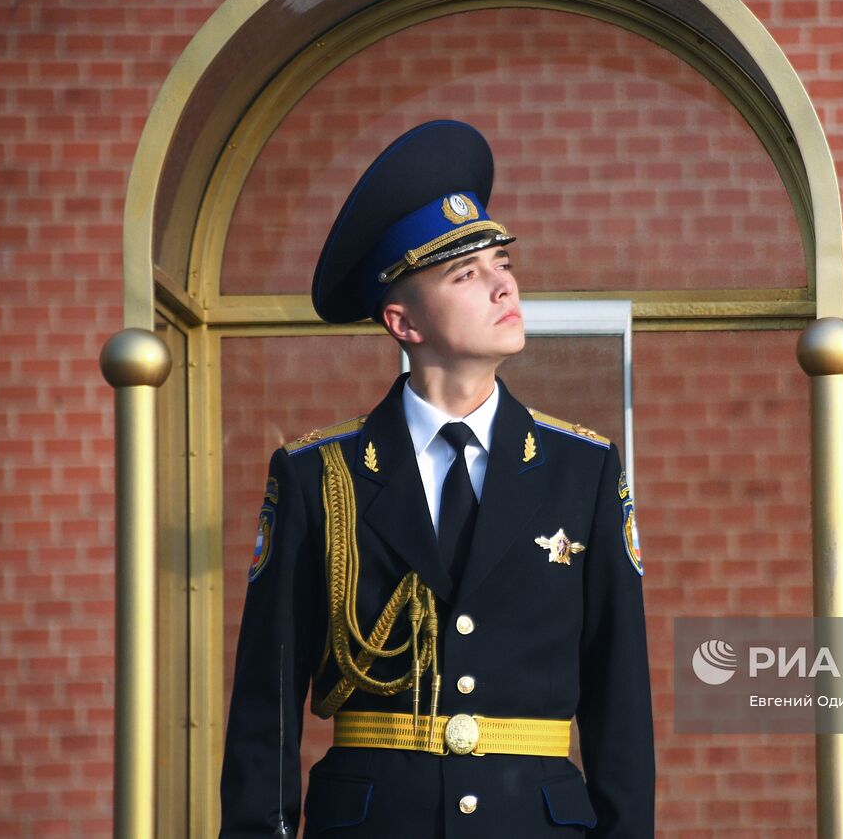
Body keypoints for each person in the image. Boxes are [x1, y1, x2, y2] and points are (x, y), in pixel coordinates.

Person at [219, 120, 655, 837]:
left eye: (502, 261)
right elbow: (263, 714)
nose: (503, 281)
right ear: (403, 320)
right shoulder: (315, 480)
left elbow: (621, 709)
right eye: (467, 273)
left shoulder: (585, 469)